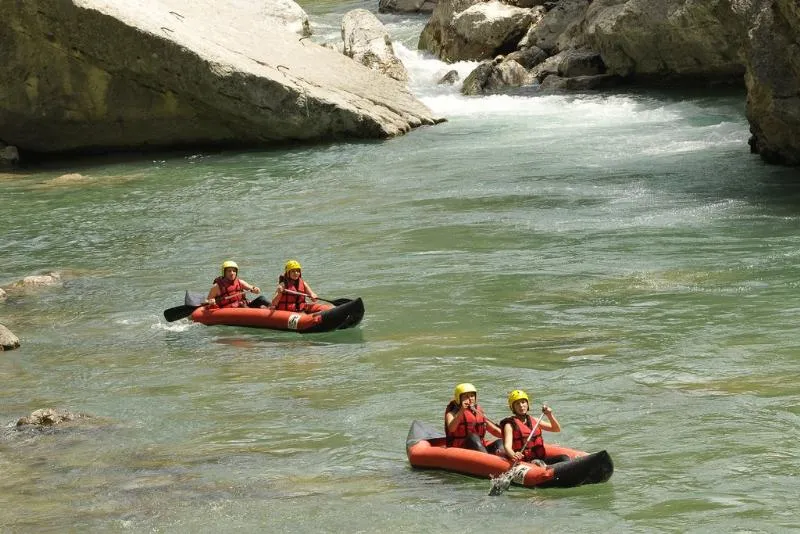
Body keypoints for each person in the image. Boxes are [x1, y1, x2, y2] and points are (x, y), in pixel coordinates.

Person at [500, 389, 569, 465]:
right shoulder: (509, 425)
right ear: (513, 408)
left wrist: (549, 415)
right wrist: (513, 455)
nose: (521, 406)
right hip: (524, 462)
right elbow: (507, 446)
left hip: (540, 459)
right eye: (517, 404)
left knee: (564, 458)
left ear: (527, 404)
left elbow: (556, 429)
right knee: (538, 463)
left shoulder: (535, 420)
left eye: (523, 402)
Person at [445, 383, 503, 454]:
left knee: (501, 442)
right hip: (461, 449)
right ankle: (486, 459)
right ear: (458, 398)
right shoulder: (451, 414)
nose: (470, 399)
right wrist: (461, 411)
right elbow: (451, 428)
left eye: (472, 396)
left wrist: (508, 434)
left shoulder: (478, 412)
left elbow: (494, 430)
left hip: (479, 448)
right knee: (473, 437)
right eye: (466, 396)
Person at [205, 260, 270, 309]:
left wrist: (256, 289)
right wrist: (211, 301)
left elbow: (254, 289)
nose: (232, 273)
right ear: (224, 272)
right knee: (243, 306)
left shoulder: (240, 282)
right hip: (230, 310)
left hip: (243, 306)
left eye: (234, 271)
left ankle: (274, 308)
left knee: (261, 299)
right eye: (229, 271)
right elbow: (207, 301)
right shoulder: (217, 287)